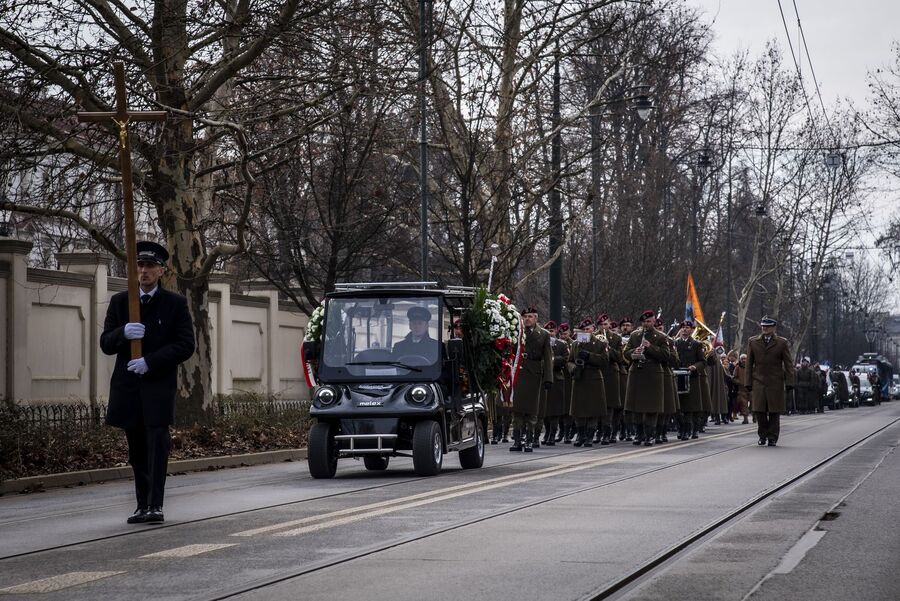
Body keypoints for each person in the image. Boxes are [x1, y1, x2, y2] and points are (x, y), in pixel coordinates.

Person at [101, 241, 195, 524]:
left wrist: (151, 361)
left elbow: (185, 345)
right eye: (140, 266)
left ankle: (155, 504)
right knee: (137, 451)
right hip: (128, 389)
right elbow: (105, 343)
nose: (143, 271)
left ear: (161, 271)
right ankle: (142, 505)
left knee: (156, 445)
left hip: (156, 387)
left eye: (149, 266)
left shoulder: (174, 304)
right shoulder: (120, 302)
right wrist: (123, 333)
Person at [743, 316, 795, 447]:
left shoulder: (782, 343)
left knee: (774, 412)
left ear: (773, 328)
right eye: (763, 326)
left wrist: (790, 382)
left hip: (775, 382)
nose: (764, 328)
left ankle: (772, 437)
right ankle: (762, 435)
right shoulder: (753, 342)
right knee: (759, 411)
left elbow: (788, 364)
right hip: (758, 381)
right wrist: (747, 382)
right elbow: (749, 364)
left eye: (767, 326)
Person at [509, 306, 553, 452]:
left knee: (532, 410)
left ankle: (529, 439)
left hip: (534, 373)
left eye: (530, 316)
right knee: (517, 409)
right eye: (525, 316)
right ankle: (517, 440)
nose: (527, 319)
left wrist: (548, 378)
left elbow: (547, 358)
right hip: (519, 371)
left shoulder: (544, 334)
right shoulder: (516, 331)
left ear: (536, 318)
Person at [624, 310, 669, 446]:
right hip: (637, 373)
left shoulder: (660, 337)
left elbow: (666, 356)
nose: (646, 324)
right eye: (644, 322)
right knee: (636, 406)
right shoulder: (635, 335)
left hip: (653, 374)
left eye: (649, 321)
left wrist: (650, 347)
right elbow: (625, 352)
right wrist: (634, 352)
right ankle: (639, 434)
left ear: (654, 321)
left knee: (651, 407)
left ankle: (650, 435)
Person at [568, 318, 608, 447]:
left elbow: (604, 361)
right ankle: (581, 434)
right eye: (583, 329)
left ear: (593, 329)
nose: (586, 331)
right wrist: (573, 368)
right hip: (579, 377)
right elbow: (569, 361)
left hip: (594, 377)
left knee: (593, 409)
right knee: (579, 409)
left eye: (588, 329)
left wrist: (590, 356)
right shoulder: (575, 344)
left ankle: (590, 435)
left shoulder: (600, 343)